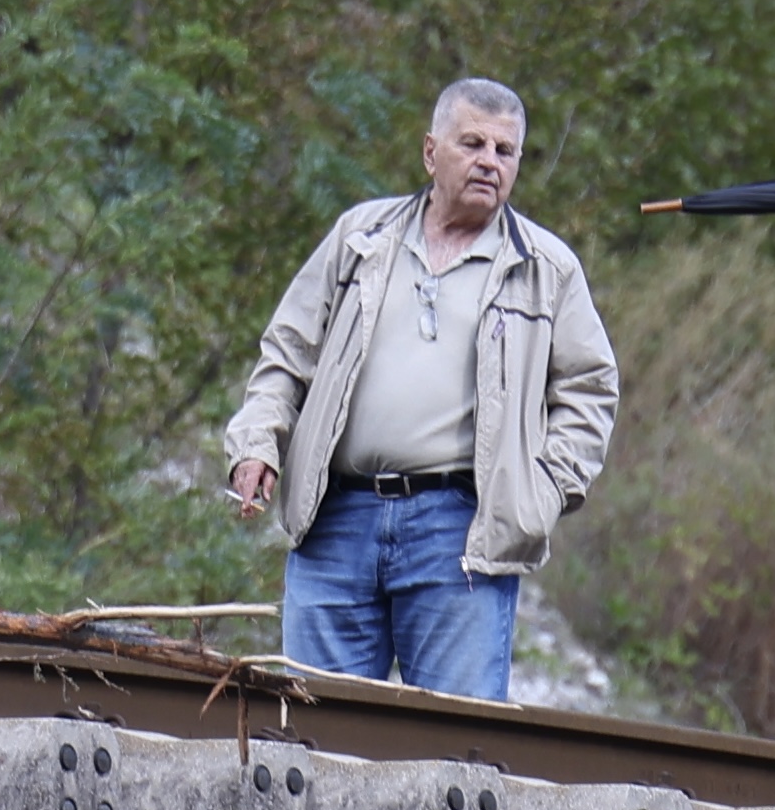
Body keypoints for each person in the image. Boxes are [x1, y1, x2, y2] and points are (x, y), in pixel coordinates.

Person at [223, 78, 619, 701]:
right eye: (473, 144)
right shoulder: (361, 237)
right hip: (336, 519)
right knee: (317, 737)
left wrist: (541, 494)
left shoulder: (546, 268)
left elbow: (590, 390)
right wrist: (257, 444)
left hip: (458, 530)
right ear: (432, 153)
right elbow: (288, 351)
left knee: (452, 752)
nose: (490, 161)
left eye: (505, 150)